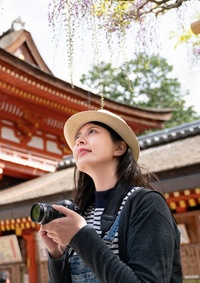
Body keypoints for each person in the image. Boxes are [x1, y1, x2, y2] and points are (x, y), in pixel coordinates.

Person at [39, 109, 182, 282]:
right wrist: (57, 254)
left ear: (119, 147)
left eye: (92, 131)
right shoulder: (81, 213)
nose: (79, 141)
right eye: (78, 137)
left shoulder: (147, 204)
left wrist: (80, 236)